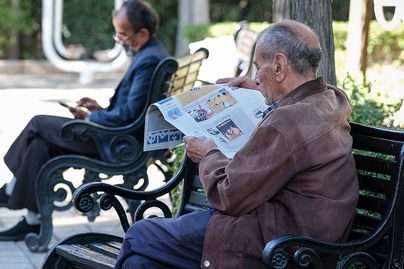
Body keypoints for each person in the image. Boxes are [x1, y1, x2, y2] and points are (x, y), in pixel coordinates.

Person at [114, 20, 359, 269]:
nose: (254, 77)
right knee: (140, 263)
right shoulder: (331, 98)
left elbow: (228, 194)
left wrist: (208, 154)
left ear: (279, 66)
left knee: (139, 235)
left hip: (277, 243)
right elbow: (295, 98)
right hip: (302, 234)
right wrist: (259, 88)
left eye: (257, 68)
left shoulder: (287, 122)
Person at [0, 0, 169, 241]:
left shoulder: (149, 60)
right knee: (39, 145)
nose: (119, 39)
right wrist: (99, 108)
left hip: (117, 144)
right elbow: (131, 110)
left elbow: (128, 116)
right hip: (120, 138)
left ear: (142, 33)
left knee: (38, 123)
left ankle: (10, 190)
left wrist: (91, 117)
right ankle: (32, 221)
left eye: (122, 33)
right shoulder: (152, 53)